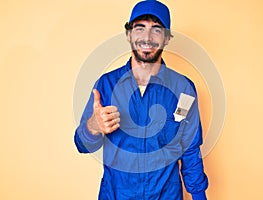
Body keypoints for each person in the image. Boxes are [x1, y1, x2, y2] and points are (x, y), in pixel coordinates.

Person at [74, 0, 209, 199]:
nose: (147, 37)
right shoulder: (106, 85)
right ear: (129, 34)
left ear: (167, 38)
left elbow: (190, 150)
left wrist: (199, 196)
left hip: (166, 195)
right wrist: (93, 126)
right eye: (139, 28)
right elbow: (82, 145)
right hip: (116, 195)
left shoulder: (183, 89)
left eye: (156, 30)